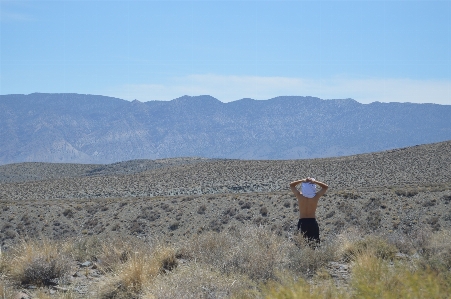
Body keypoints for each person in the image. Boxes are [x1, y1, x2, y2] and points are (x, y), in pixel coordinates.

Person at [289, 177, 328, 244]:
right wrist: (315, 181)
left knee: (301, 245)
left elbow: (291, 185)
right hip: (312, 222)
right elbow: (325, 187)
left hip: (302, 222)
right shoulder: (315, 197)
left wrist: (302, 180)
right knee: (314, 245)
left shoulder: (299, 196)